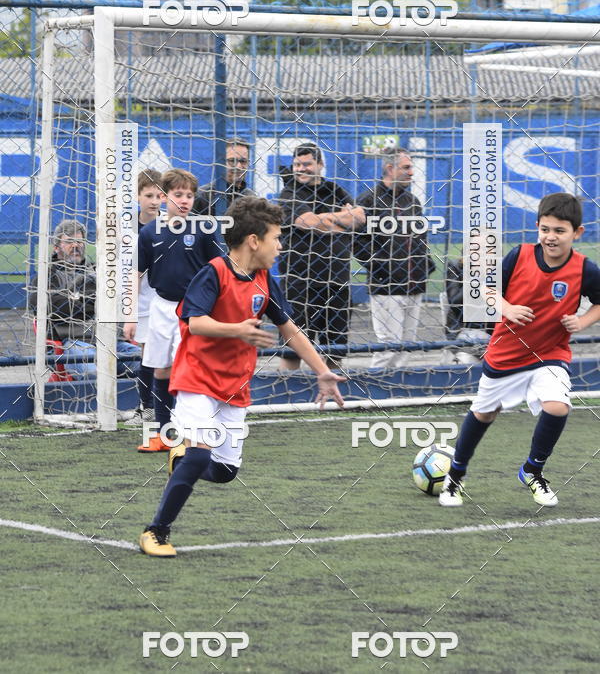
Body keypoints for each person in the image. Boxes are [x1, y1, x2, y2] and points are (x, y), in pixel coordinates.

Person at [138, 196, 345, 557]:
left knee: (225, 472)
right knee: (201, 456)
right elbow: (194, 322)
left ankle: (181, 460)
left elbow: (290, 329)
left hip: (234, 385)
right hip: (196, 377)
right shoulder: (214, 272)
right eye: (276, 238)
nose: (280, 246)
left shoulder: (265, 279)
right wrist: (237, 330)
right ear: (254, 240)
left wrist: (323, 371)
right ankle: (156, 532)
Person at [439, 192, 600, 508]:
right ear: (538, 227)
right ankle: (454, 476)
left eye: (559, 231)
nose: (550, 237)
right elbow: (486, 290)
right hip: (506, 354)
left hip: (550, 354)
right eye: (545, 229)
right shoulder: (520, 255)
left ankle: (532, 470)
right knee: (484, 413)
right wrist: (507, 308)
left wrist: (583, 321)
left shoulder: (585, 269)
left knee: (558, 407)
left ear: (577, 233)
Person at [136, 167, 223, 452]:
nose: (185, 200)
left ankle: (198, 432)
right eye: (178, 194)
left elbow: (218, 271)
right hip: (162, 307)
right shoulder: (149, 233)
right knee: (162, 369)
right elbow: (137, 274)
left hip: (196, 310)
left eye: (190, 195)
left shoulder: (204, 229)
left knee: (194, 370)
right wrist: (129, 316)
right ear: (164, 196)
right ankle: (164, 434)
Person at [277, 143, 365, 370]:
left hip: (336, 279)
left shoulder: (335, 189)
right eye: (297, 164)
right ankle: (288, 393)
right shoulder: (289, 192)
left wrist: (325, 220)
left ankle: (331, 391)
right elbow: (307, 222)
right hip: (300, 281)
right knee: (293, 349)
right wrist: (339, 218)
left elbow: (359, 218)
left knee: (335, 349)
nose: (301, 169)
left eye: (307, 164)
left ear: (320, 165)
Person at [354, 148, 435, 369]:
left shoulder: (413, 201)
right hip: (386, 286)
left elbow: (420, 239)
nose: (412, 172)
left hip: (414, 284)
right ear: (390, 168)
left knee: (407, 346)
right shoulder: (368, 200)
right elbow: (356, 243)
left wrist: (425, 265)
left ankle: (397, 393)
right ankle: (375, 391)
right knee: (389, 345)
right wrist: (382, 268)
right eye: (406, 167)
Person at [30, 219, 137, 377]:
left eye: (79, 241)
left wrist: (76, 300)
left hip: (111, 341)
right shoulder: (46, 276)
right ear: (56, 247)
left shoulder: (98, 271)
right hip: (71, 342)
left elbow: (115, 302)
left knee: (147, 365)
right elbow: (49, 308)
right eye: (69, 242)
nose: (75, 246)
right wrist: (91, 302)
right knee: (95, 375)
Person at [122, 169, 164, 425]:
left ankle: (168, 407)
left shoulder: (172, 224)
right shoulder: (126, 229)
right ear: (137, 197)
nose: (154, 201)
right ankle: (146, 407)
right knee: (148, 355)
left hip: (167, 300)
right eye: (148, 195)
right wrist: (130, 310)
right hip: (143, 302)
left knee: (172, 355)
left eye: (159, 195)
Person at [443, 254, 492, 365]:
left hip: (496, 331)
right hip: (465, 328)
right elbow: (455, 304)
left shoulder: (502, 268)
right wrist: (476, 278)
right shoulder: (456, 267)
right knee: (464, 361)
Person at [192, 139, 255, 216]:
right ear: (221, 162)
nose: (238, 166)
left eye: (243, 161)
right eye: (232, 161)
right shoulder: (202, 196)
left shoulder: (251, 197)